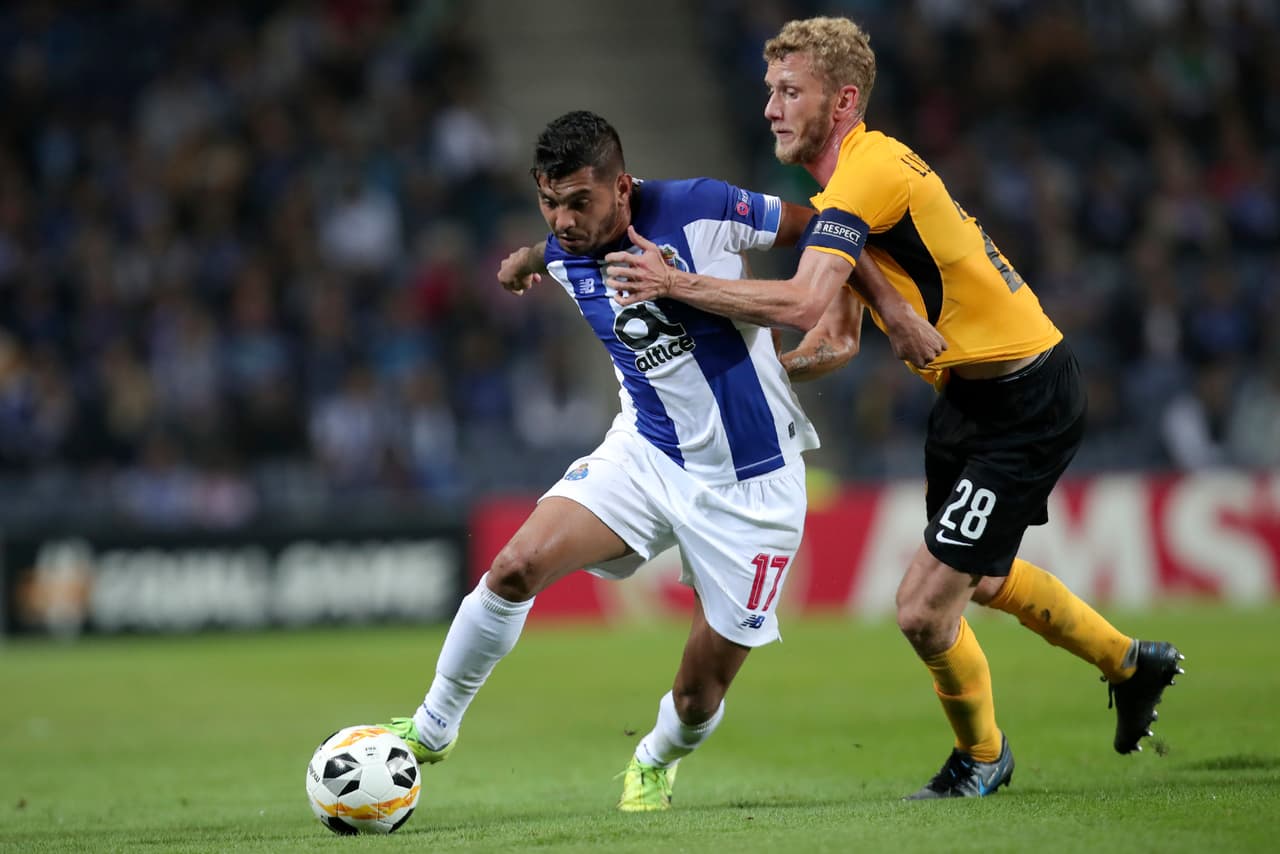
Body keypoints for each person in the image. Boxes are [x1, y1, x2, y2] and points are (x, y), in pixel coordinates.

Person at [603, 17, 1184, 799]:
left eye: (790, 92)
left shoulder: (868, 175)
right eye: (769, 91)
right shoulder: (843, 191)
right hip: (968, 401)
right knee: (979, 582)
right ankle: (1129, 663)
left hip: (1024, 399)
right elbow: (835, 339)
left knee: (921, 610)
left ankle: (983, 758)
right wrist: (752, 380)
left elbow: (802, 300)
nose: (770, 108)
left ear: (842, 102)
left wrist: (674, 284)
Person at [383, 109, 941, 811]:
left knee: (698, 694)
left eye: (578, 201)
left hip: (754, 488)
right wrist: (520, 265)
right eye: (548, 202)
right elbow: (545, 251)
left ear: (622, 187)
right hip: (647, 455)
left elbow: (829, 229)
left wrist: (890, 310)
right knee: (514, 567)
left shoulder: (701, 207)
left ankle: (654, 758)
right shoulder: (565, 247)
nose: (563, 220)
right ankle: (433, 726)